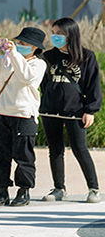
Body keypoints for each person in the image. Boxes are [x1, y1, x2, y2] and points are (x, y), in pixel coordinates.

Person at [0, 27, 47, 207]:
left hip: (24, 115)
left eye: (24, 43)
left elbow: (26, 77)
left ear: (35, 48)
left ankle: (24, 191)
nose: (19, 45)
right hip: (1, 114)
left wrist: (15, 54)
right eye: (18, 42)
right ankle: (2, 191)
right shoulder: (5, 61)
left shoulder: (38, 64)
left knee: (24, 156)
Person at [39, 18, 102, 203]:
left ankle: (93, 189)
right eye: (53, 33)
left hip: (75, 111)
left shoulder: (87, 57)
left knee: (80, 148)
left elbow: (93, 86)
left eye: (59, 33)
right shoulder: (47, 57)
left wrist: (90, 110)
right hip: (50, 111)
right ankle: (59, 188)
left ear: (70, 34)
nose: (54, 36)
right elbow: (43, 83)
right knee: (55, 149)